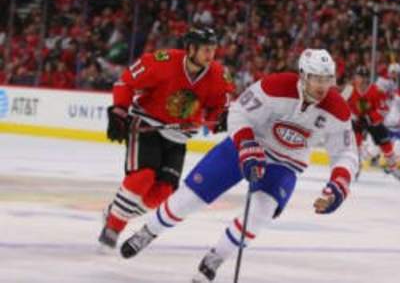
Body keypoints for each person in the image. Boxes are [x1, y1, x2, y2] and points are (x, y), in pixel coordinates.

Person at [118, 49, 359, 282]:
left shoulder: (337, 109)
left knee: (259, 215)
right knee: (189, 199)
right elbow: (239, 113)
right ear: (303, 75)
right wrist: (247, 145)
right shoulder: (274, 86)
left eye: (327, 79)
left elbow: (346, 153)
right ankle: (148, 232)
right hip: (245, 146)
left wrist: (338, 185)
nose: (322, 86)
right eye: (316, 78)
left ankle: (215, 258)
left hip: (285, 163)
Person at [98, 26, 234, 249]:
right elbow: (126, 82)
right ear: (190, 48)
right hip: (147, 125)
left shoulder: (218, 75)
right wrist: (119, 111)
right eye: (206, 50)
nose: (211, 55)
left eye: (213, 50)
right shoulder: (162, 61)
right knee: (143, 177)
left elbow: (218, 108)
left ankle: (115, 212)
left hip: (178, 137)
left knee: (161, 194)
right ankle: (113, 227)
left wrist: (219, 118)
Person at [345, 66, 400, 181]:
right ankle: (356, 166)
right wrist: (353, 116)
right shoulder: (349, 89)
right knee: (354, 143)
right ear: (355, 78)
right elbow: (341, 104)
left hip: (373, 122)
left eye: (365, 77)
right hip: (357, 120)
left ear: (368, 78)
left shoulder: (377, 91)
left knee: (385, 142)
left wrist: (369, 118)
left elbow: (383, 109)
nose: (362, 80)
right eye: (359, 77)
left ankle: (392, 167)